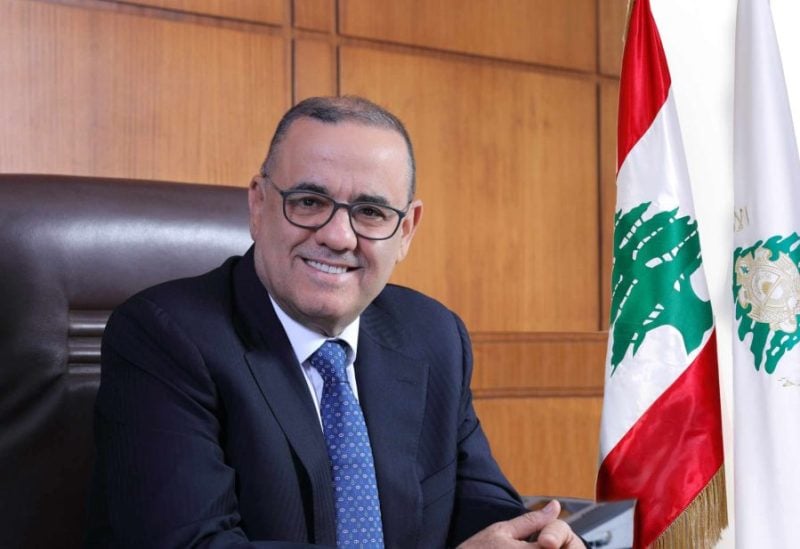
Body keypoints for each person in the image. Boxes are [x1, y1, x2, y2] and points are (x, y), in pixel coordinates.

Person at [86, 96, 584, 548]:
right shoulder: (165, 336)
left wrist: (533, 540)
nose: (339, 236)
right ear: (258, 204)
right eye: (309, 202)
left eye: (370, 212)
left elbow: (479, 507)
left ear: (406, 231)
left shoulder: (432, 335)